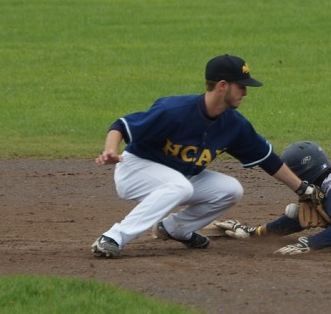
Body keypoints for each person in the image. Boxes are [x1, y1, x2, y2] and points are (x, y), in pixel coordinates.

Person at [91, 54, 317, 258]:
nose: (245, 92)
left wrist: (303, 189)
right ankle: (113, 237)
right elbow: (121, 125)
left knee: (231, 189)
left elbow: (268, 159)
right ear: (222, 86)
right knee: (179, 187)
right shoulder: (175, 110)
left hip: (179, 177)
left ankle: (176, 228)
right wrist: (110, 150)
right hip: (136, 170)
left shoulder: (234, 125)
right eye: (241, 86)